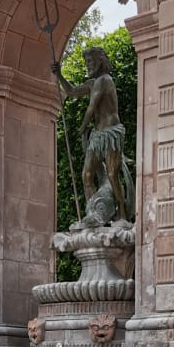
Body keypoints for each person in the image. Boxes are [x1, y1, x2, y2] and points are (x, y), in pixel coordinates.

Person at [52, 46, 135, 226]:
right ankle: (93, 213)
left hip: (111, 133)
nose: (87, 65)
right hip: (97, 136)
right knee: (87, 175)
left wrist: (82, 128)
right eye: (86, 62)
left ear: (100, 61)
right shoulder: (93, 83)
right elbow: (72, 92)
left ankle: (122, 214)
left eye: (90, 61)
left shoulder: (105, 80)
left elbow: (91, 107)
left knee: (112, 174)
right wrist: (59, 75)